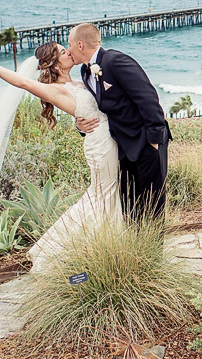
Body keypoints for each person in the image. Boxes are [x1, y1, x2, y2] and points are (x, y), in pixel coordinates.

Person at [0, 40, 120, 271]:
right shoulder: (55, 89)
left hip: (108, 139)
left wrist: (79, 121)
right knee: (102, 195)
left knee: (105, 195)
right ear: (54, 64)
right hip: (101, 145)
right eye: (61, 51)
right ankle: (58, 251)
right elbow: (21, 82)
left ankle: (104, 247)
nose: (68, 52)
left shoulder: (79, 80)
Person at [67, 23, 171, 221]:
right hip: (120, 147)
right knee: (130, 207)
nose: (68, 50)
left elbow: (148, 98)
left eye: (69, 45)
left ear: (80, 45)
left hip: (145, 143)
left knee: (152, 206)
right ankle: (136, 250)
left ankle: (154, 251)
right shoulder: (85, 71)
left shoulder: (115, 61)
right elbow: (96, 108)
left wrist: (154, 142)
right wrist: (80, 125)